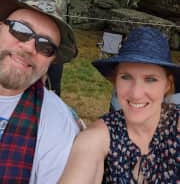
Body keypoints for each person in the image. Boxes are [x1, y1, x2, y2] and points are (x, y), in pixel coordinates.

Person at [59, 26, 180, 183]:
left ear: (167, 85)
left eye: (150, 79)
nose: (136, 93)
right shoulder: (97, 137)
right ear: (115, 80)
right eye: (126, 77)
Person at [0, 0, 80, 183]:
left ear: (51, 61)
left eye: (45, 46)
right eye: (20, 30)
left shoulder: (58, 124)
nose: (29, 47)